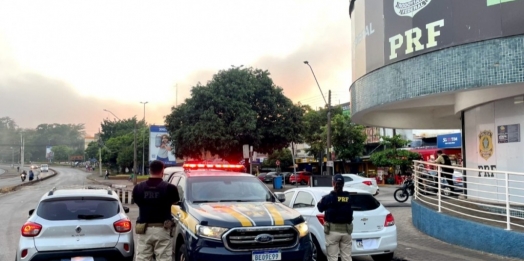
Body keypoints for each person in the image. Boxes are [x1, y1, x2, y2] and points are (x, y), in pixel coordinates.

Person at [133, 160, 180, 261]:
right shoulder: (170, 188)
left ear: (149, 170)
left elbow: (138, 202)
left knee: (142, 258)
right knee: (164, 258)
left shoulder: (138, 188)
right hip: (163, 229)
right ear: (162, 171)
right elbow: (175, 202)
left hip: (144, 229)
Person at [317, 174, 353, 261]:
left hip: (332, 232)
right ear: (343, 184)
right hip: (346, 232)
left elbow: (320, 208)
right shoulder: (349, 197)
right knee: (347, 257)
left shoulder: (328, 198)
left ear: (333, 183)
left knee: (332, 258)